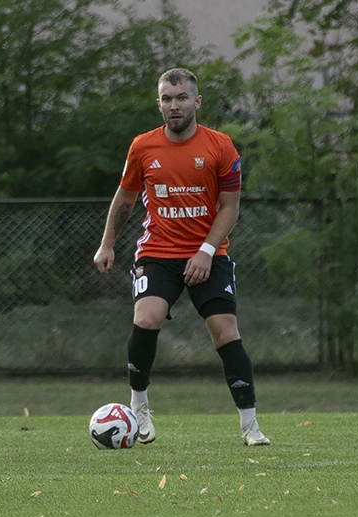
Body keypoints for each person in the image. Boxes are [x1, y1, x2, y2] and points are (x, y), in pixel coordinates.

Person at [93, 67, 270, 447]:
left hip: (208, 253)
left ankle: (250, 425)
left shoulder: (221, 146)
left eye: (182, 98)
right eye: (167, 99)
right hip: (157, 253)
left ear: (197, 102)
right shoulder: (142, 147)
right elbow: (124, 200)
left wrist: (206, 251)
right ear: (158, 103)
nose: (174, 106)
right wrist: (107, 244)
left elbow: (230, 208)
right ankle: (138, 408)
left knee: (225, 332)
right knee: (146, 316)